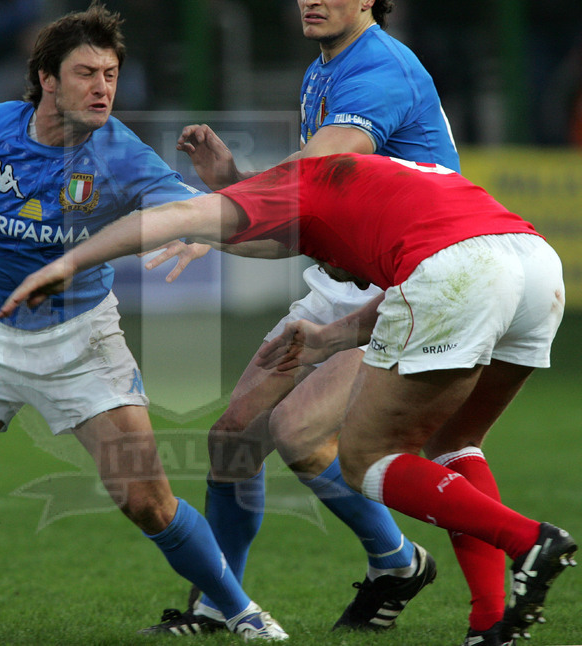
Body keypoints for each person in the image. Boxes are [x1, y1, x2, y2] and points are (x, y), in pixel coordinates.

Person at [0, 4, 287, 643]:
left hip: (81, 346)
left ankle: (239, 609)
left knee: (147, 503)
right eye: (86, 73)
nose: (103, 88)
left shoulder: (120, 154)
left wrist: (216, 210)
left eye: (112, 73)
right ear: (46, 77)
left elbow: (214, 216)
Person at [0, 152, 578, 646]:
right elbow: (427, 270)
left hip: (460, 270)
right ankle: (490, 622)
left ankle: (530, 540)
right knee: (456, 440)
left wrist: (71, 261)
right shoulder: (379, 181)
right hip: (532, 262)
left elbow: (176, 215)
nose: (329, 269)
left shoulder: (298, 185)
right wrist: (326, 339)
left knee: (366, 457)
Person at [138, 0, 462, 636]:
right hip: (349, 284)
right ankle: (219, 605)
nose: (310, 0)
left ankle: (404, 560)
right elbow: (304, 218)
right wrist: (231, 193)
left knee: (300, 432)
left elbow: (312, 173)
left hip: (412, 289)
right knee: (234, 439)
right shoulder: (323, 71)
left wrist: (225, 208)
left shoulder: (380, 71)